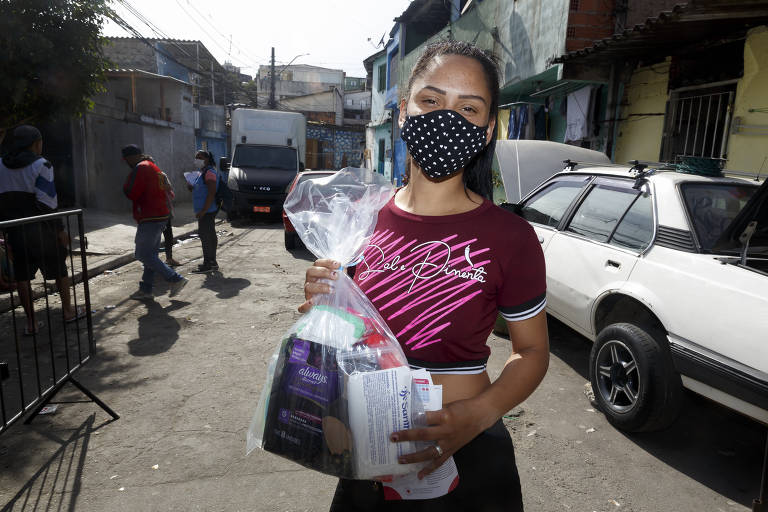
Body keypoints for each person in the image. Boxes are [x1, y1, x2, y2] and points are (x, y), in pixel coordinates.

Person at [300, 41, 549, 511]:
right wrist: (324, 302)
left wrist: (475, 416)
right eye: (431, 101)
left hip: (470, 456)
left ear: (488, 127)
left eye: (468, 108)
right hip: (367, 450)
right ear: (402, 111)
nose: (446, 119)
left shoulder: (511, 237)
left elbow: (532, 351)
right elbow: (341, 334)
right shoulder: (358, 222)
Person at [0, 125, 85, 335]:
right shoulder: (42, 164)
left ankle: (31, 323)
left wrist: (4, 235)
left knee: (22, 276)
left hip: (15, 230)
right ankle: (68, 311)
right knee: (59, 270)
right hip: (42, 231)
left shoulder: (0, 164)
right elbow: (47, 203)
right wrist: (59, 230)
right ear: (36, 143)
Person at [121, 144, 188, 299]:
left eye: (126, 159)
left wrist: (127, 182)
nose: (126, 163)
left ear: (131, 157)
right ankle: (146, 289)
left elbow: (131, 192)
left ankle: (175, 279)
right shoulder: (152, 166)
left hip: (150, 216)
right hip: (159, 215)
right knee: (150, 255)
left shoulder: (141, 168)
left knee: (143, 254)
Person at [188, 150, 219, 273]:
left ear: (207, 159)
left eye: (199, 157)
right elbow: (202, 190)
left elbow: (211, 193)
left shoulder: (209, 172)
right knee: (209, 235)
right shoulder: (202, 172)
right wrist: (191, 187)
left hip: (207, 210)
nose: (197, 160)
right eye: (196, 157)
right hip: (206, 210)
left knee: (206, 236)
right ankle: (212, 262)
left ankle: (208, 264)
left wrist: (203, 210)